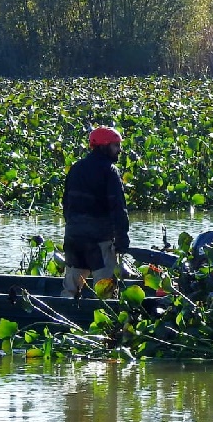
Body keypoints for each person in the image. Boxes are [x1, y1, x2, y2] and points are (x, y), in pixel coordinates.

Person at [61, 126, 131, 297]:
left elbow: (66, 203)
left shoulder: (76, 168)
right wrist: (122, 238)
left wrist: (74, 228)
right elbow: (118, 208)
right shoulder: (110, 171)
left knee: (71, 288)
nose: (119, 150)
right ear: (104, 146)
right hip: (99, 242)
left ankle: (64, 309)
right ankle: (105, 313)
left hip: (74, 238)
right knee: (105, 291)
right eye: (116, 145)